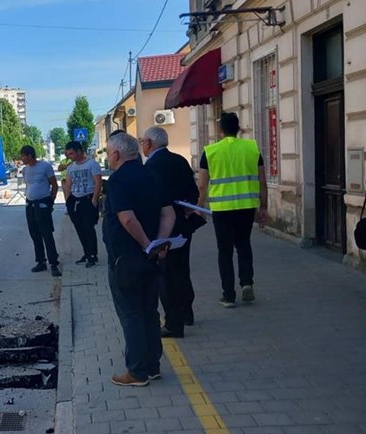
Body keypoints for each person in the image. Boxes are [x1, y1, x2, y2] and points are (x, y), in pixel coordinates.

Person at [102, 132, 175, 387]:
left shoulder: (117, 180)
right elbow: (168, 213)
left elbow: (127, 219)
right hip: (151, 259)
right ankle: (153, 366)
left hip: (126, 258)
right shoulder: (152, 175)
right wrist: (160, 244)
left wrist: (146, 245)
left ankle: (136, 372)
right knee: (149, 312)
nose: (108, 158)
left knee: (131, 314)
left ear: (116, 154)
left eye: (108, 153)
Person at [197, 112, 268, 308]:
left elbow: (202, 185)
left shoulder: (210, 151)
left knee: (225, 251)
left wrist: (200, 207)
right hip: (246, 207)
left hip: (222, 209)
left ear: (220, 131)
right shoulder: (252, 148)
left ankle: (228, 295)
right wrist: (264, 208)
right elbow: (262, 180)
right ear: (239, 129)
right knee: (244, 245)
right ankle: (247, 283)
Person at [141, 127, 199, 337]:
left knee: (167, 275)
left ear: (149, 142)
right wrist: (187, 210)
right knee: (183, 269)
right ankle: (187, 313)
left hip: (164, 228)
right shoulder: (179, 160)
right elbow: (194, 191)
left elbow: (152, 200)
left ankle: (174, 323)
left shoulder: (151, 166)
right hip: (184, 225)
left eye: (142, 142)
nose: (142, 146)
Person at [20, 145, 62, 277]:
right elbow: (29, 185)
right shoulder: (25, 170)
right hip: (30, 206)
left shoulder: (45, 167)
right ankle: (41, 261)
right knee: (35, 235)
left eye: (23, 156)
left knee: (47, 234)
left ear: (29, 156)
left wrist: (51, 201)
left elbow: (54, 185)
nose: (21, 159)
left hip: (42, 206)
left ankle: (53, 263)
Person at [63, 141, 103, 267]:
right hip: (75, 201)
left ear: (79, 151)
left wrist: (94, 200)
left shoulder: (92, 164)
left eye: (72, 153)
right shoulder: (71, 167)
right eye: (68, 154)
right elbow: (68, 184)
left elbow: (98, 183)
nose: (70, 156)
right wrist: (68, 201)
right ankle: (86, 253)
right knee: (80, 229)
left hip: (88, 199)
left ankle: (93, 255)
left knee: (88, 228)